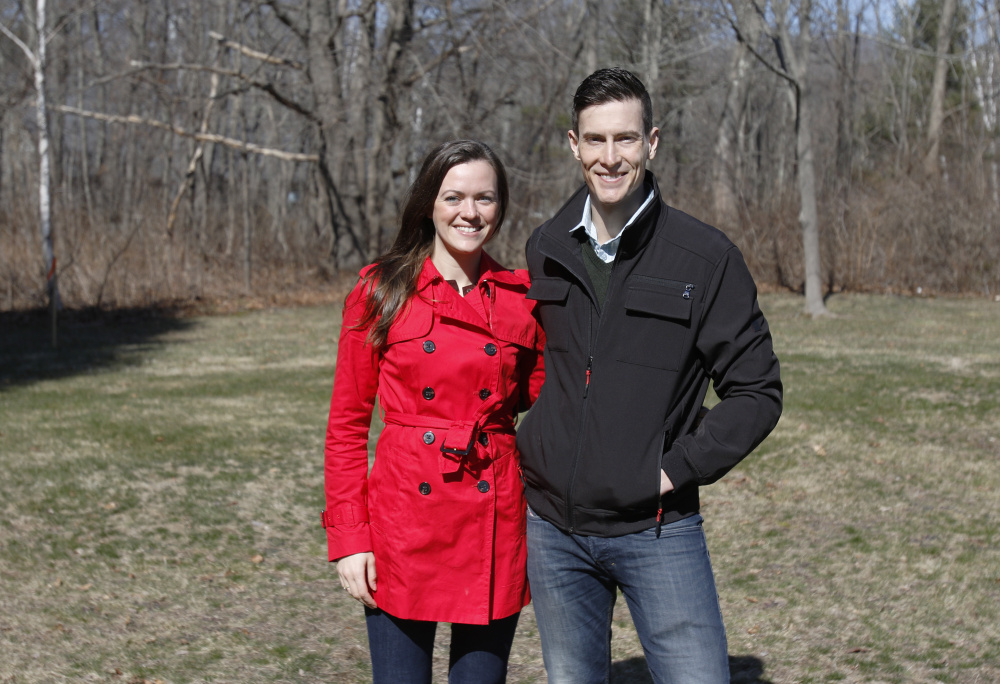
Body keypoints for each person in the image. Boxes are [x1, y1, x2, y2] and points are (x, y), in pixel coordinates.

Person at [516, 67, 783, 684]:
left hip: (657, 529)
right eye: (597, 140)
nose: (611, 158)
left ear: (652, 142)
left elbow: (758, 392)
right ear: (573, 144)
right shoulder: (546, 246)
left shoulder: (704, 257)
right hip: (554, 532)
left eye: (626, 139)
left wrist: (675, 468)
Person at [321, 140, 545, 684]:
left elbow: (551, 401)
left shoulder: (522, 298)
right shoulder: (382, 289)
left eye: (485, 198)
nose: (470, 213)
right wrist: (351, 540)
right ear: (427, 203)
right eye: (454, 197)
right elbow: (347, 425)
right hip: (403, 522)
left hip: (492, 518)